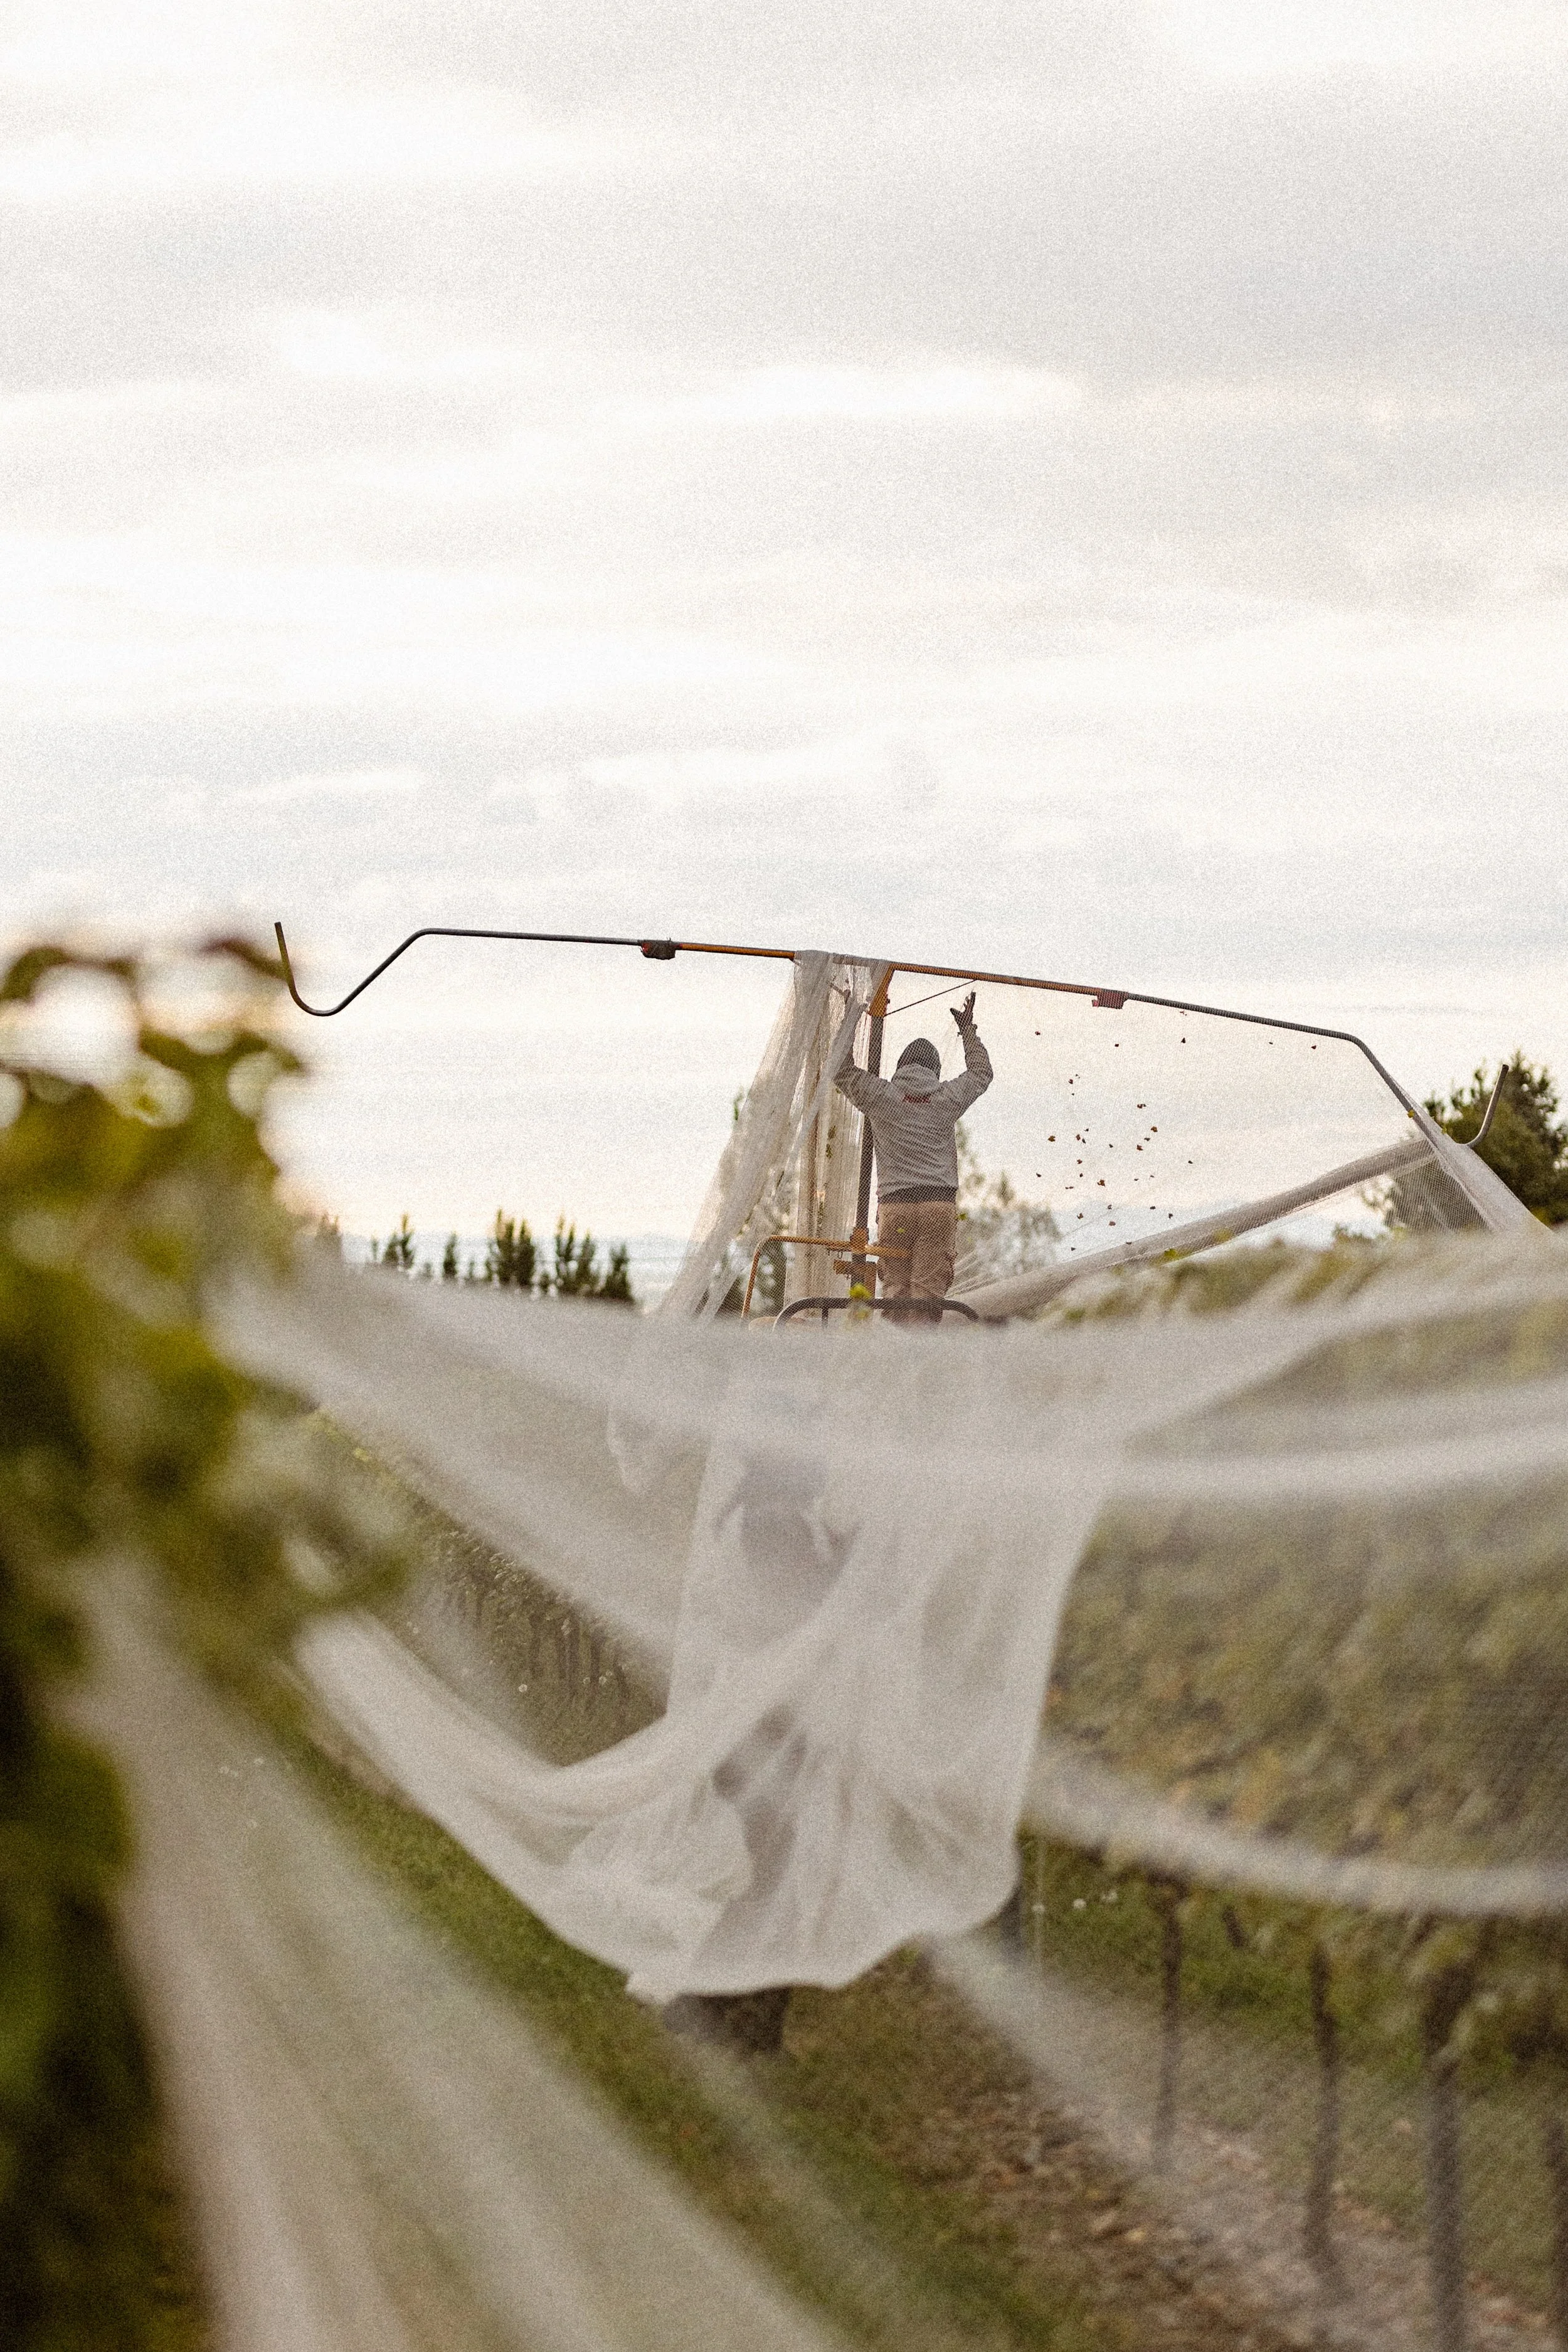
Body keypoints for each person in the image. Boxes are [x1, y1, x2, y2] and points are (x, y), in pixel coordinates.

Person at [834, 990, 993, 1315]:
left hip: (895, 1209)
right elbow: (981, 1074)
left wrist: (850, 1018)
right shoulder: (946, 1097)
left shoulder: (881, 1095)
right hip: (937, 1206)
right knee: (926, 1296)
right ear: (933, 1071)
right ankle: (920, 1360)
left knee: (894, 1293)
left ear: (901, 1067)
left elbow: (841, 1071)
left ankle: (893, 1359)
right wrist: (968, 1030)